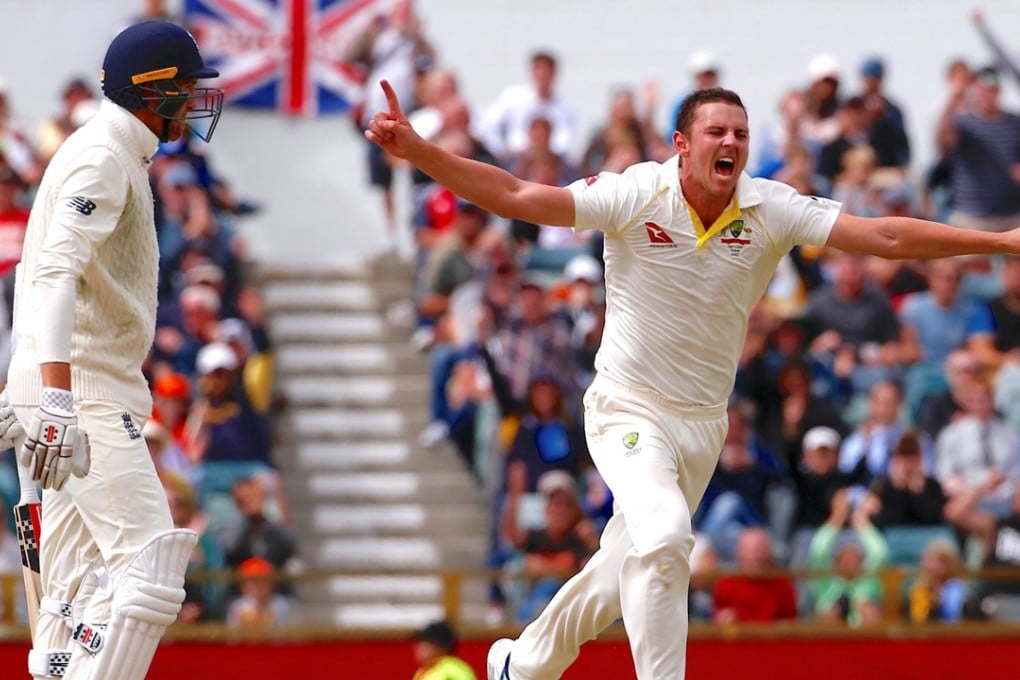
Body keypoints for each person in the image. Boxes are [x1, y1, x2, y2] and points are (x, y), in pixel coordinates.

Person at [364, 80, 1020, 680]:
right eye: (716, 131)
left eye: (740, 133)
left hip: (703, 423)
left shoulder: (772, 207)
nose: (731, 141)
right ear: (682, 144)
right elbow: (515, 195)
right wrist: (422, 154)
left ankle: (523, 664)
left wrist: (1001, 243)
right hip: (626, 408)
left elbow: (883, 235)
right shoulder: (635, 192)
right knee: (668, 534)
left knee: (628, 565)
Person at [0, 20, 223, 680]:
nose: (194, 101)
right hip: (82, 391)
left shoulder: (113, 152)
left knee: (70, 610)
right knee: (150, 565)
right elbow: (51, 277)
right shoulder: (101, 155)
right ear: (150, 93)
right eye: (184, 88)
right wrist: (58, 398)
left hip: (72, 388)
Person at [411, 620, 478, 680]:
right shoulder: (422, 671)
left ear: (440, 647)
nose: (417, 648)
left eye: (424, 645)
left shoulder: (453, 669)